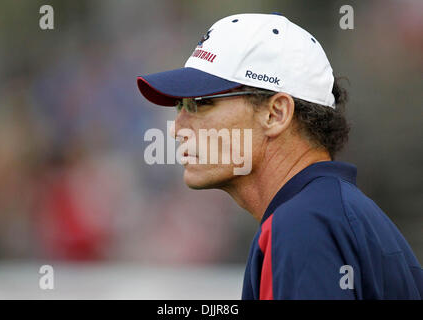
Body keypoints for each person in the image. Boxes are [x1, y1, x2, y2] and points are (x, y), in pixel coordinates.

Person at [136, 13, 422, 299]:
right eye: (180, 105)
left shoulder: (303, 225)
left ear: (276, 114)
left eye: (201, 103)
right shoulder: (329, 214)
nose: (177, 129)